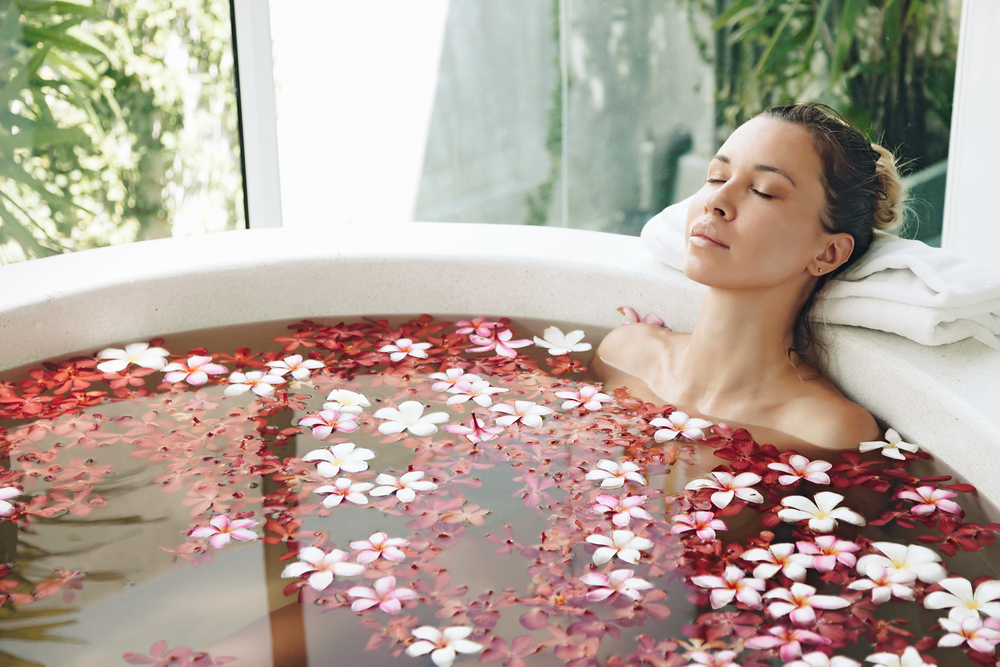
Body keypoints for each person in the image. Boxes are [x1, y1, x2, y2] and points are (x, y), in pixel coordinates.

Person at [596, 103, 905, 452]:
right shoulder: (625, 354)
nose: (716, 200)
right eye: (716, 177)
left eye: (763, 191)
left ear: (827, 253)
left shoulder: (826, 430)